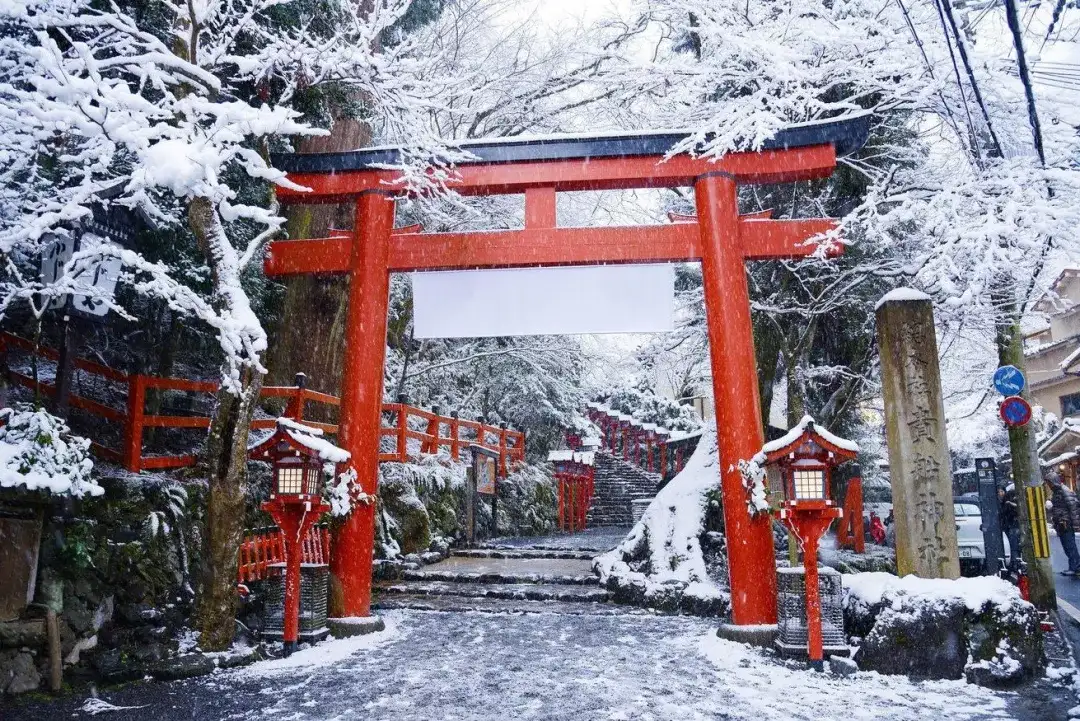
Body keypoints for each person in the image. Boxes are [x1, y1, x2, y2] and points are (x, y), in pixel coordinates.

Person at [1046, 471, 1080, 576]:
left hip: (1065, 523)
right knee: (1067, 546)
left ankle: (1076, 567)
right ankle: (1074, 566)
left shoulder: (1064, 491)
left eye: (1049, 483)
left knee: (1070, 546)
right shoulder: (1057, 492)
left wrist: (1075, 524)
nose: (1049, 485)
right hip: (1061, 523)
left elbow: (1073, 507)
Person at [999, 483, 1020, 566]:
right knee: (1013, 545)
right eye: (999, 492)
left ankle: (1015, 563)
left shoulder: (1007, 501)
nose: (1000, 493)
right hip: (1011, 525)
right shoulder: (1006, 501)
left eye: (1001, 491)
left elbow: (1005, 514)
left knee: (1013, 545)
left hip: (1011, 526)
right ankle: (1016, 562)